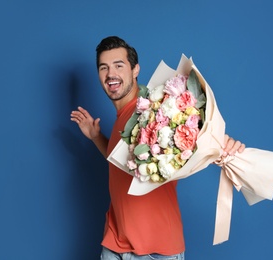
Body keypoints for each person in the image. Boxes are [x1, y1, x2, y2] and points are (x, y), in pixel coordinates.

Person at [70, 36, 245, 259]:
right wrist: (96, 137)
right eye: (104, 67)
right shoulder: (120, 119)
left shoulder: (155, 111)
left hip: (156, 251)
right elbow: (123, 164)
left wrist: (223, 143)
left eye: (119, 65)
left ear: (135, 70)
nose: (110, 74)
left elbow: (191, 130)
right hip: (116, 245)